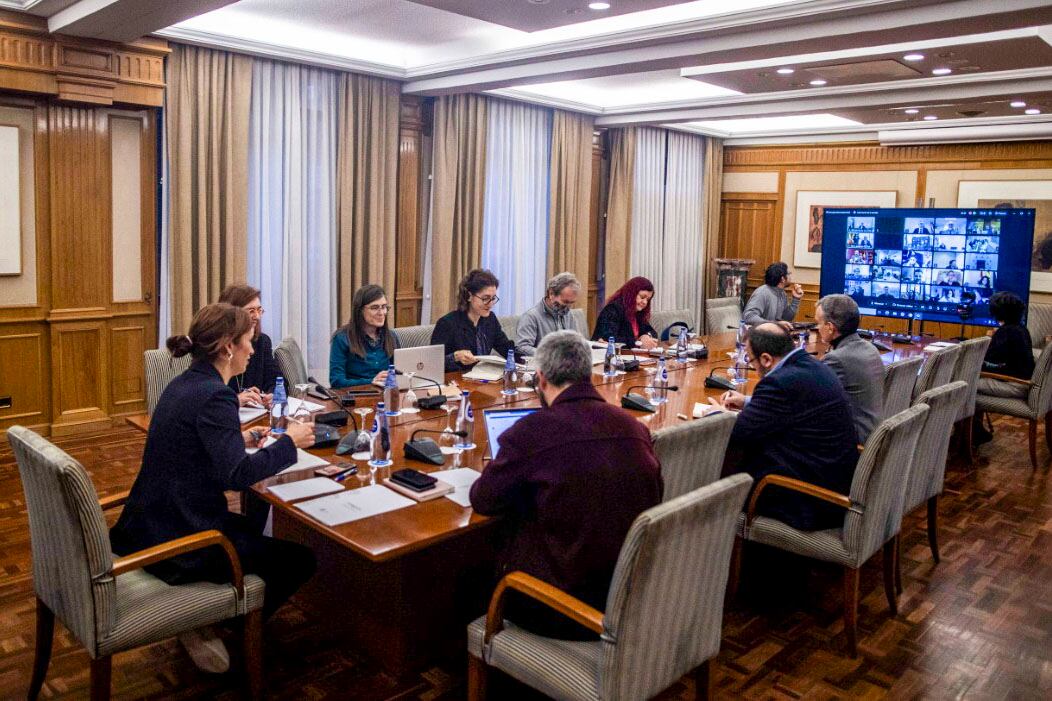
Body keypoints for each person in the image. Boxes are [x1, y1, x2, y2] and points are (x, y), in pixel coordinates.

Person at [110, 303, 317, 673]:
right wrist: (291, 442)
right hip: (182, 541)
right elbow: (236, 476)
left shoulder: (186, 384)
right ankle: (223, 623)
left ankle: (213, 617)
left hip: (148, 524)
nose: (253, 351)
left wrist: (240, 436)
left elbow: (196, 448)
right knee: (300, 560)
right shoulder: (216, 395)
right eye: (247, 343)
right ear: (227, 348)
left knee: (253, 533)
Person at [469, 331, 662, 639]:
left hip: (561, 608)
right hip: (628, 594)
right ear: (588, 373)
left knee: (471, 575)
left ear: (541, 379)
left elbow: (483, 500)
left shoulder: (531, 432)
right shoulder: (634, 428)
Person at [718, 324, 858, 530]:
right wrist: (747, 401)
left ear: (766, 359)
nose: (753, 366)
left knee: (720, 475)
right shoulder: (812, 365)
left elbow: (738, 433)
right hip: (834, 481)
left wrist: (717, 416)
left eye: (751, 360)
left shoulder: (779, 382)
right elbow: (793, 404)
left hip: (809, 500)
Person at [815, 294, 884, 444]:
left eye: (818, 323)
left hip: (855, 441)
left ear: (830, 327)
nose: (817, 328)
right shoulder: (870, 347)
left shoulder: (837, 359)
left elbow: (812, 397)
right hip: (873, 433)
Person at [974, 292, 1035, 444]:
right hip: (1024, 381)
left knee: (964, 385)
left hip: (1014, 384)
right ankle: (974, 430)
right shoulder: (1021, 329)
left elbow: (988, 361)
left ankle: (972, 431)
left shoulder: (1006, 332)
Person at [431, 268, 516, 372]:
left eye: (493, 298)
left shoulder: (490, 320)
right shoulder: (447, 323)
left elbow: (507, 349)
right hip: (455, 381)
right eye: (485, 298)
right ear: (469, 296)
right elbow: (432, 363)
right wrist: (455, 356)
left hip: (481, 380)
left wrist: (532, 360)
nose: (490, 304)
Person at [218, 283, 278, 407]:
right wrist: (236, 399)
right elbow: (210, 392)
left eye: (259, 310)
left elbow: (275, 379)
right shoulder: (216, 346)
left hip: (255, 416)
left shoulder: (262, 341)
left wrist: (273, 394)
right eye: (251, 311)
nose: (257, 316)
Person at [330, 284, 401, 387]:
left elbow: (399, 372)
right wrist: (371, 381)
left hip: (386, 394)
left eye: (384, 307)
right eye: (375, 308)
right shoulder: (342, 338)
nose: (381, 313)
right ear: (360, 311)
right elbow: (336, 381)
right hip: (356, 397)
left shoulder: (391, 336)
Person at [515, 271, 581, 357]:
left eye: (571, 302)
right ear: (551, 294)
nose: (568, 307)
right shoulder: (531, 317)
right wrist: (551, 355)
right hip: (542, 366)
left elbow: (576, 342)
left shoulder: (569, 315)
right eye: (565, 301)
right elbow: (522, 347)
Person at [591, 276, 659, 349]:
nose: (645, 302)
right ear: (631, 294)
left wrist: (646, 336)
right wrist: (639, 342)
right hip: (604, 355)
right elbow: (610, 338)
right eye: (642, 297)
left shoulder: (638, 313)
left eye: (648, 299)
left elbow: (653, 332)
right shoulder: (613, 309)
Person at [742, 262, 803, 329]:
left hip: (772, 335)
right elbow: (749, 317)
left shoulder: (782, 293)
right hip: (759, 336)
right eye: (789, 274)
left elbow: (786, 318)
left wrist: (796, 299)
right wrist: (775, 324)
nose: (791, 276)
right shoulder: (762, 293)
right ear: (782, 279)